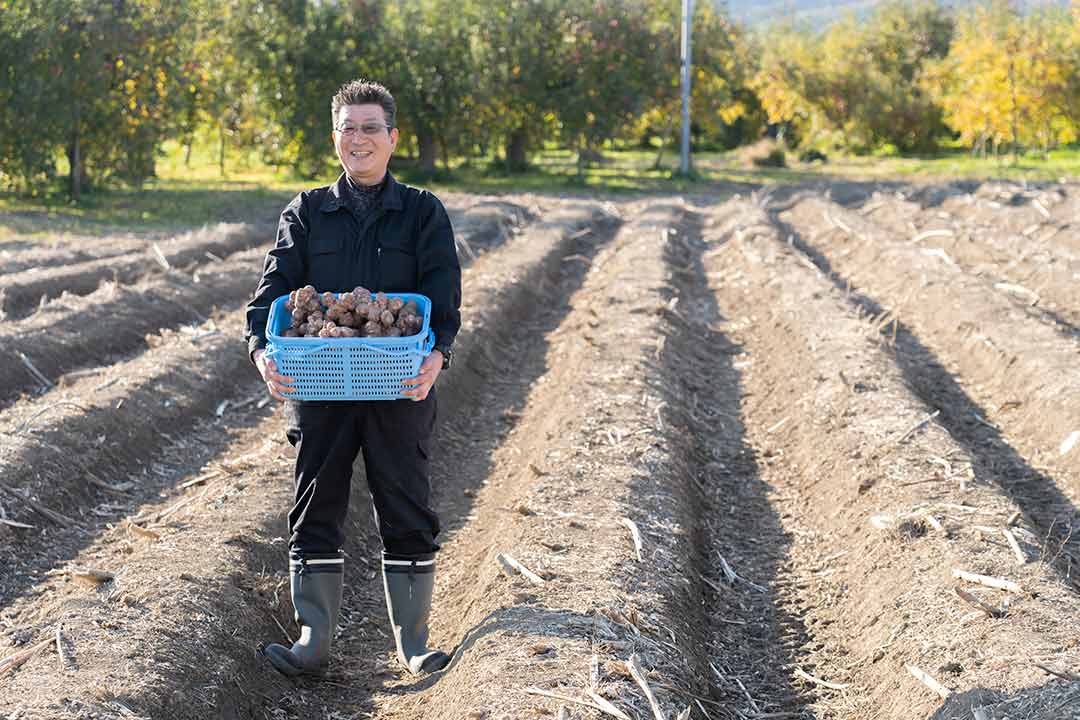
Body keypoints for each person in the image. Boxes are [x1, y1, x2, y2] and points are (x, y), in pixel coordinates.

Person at [244, 79, 461, 677]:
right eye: (348, 127)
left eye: (370, 128)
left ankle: (412, 643)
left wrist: (437, 352)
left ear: (393, 138)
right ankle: (313, 640)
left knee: (406, 501)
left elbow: (442, 296)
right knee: (315, 502)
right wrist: (262, 350)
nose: (358, 138)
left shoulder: (422, 212)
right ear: (334, 136)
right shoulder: (307, 211)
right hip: (320, 384)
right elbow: (272, 293)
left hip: (397, 382)